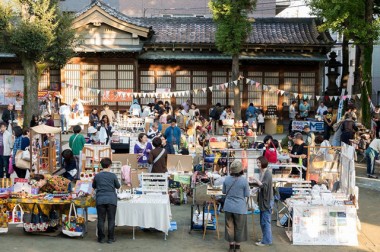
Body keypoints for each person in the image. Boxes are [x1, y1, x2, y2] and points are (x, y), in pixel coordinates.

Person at [222, 160, 250, 252]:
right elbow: (247, 194)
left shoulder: (226, 179)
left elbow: (224, 192)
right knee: (239, 227)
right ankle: (237, 247)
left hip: (228, 206)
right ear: (241, 170)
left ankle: (231, 246)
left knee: (229, 227)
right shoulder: (244, 181)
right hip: (240, 207)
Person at [92, 158, 120, 244]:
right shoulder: (113, 176)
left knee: (101, 219)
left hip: (100, 199)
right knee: (111, 219)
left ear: (101, 165)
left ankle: (101, 238)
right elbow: (118, 186)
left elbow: (94, 186)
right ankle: (110, 238)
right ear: (110, 165)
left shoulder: (97, 176)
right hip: (111, 199)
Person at [251, 156, 273, 246]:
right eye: (257, 163)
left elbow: (263, 186)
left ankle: (266, 241)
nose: (258, 164)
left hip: (266, 200)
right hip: (263, 199)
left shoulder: (267, 173)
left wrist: (255, 179)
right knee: (263, 221)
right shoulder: (263, 172)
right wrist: (254, 190)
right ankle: (266, 238)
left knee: (265, 221)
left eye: (259, 163)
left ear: (264, 162)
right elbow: (260, 186)